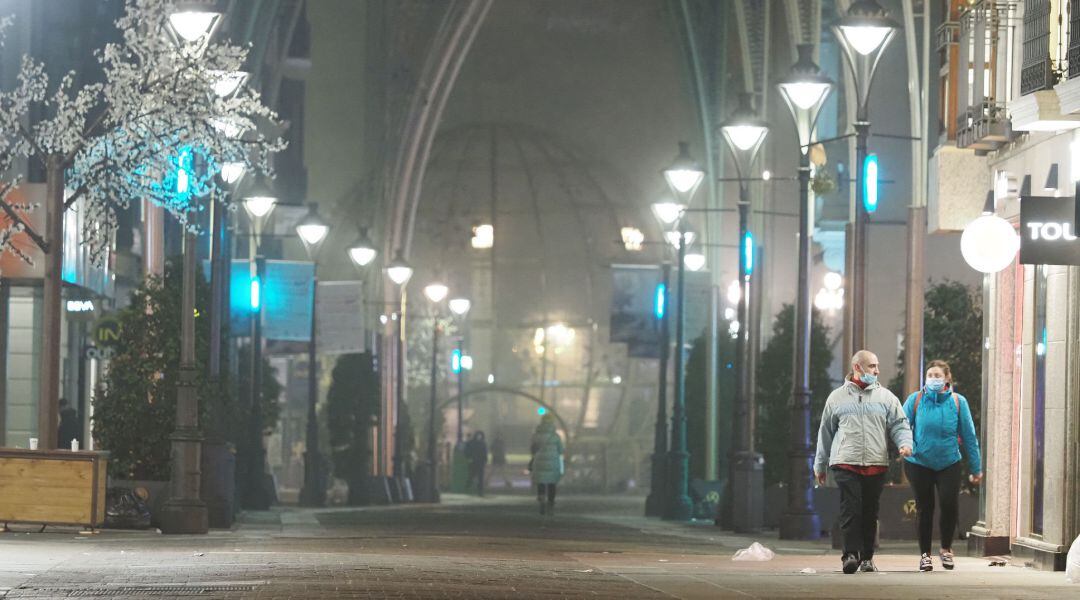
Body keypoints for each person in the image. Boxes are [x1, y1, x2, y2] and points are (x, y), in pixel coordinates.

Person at [815, 350, 913, 574]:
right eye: (872, 366)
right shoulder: (836, 398)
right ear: (857, 367)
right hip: (845, 461)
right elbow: (826, 433)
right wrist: (820, 465)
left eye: (877, 366)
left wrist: (905, 444)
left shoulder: (886, 398)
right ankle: (850, 555)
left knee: (870, 511)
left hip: (876, 462)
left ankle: (867, 557)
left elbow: (900, 424)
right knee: (851, 508)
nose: (877, 371)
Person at [902, 359, 982, 572]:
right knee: (924, 507)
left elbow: (969, 436)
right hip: (918, 462)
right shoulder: (915, 400)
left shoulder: (958, 402)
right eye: (930, 376)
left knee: (949, 505)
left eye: (938, 376)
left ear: (947, 378)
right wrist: (904, 444)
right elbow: (901, 425)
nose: (933, 379)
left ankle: (946, 549)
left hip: (949, 462)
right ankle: (925, 555)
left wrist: (976, 468)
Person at [529, 413, 564, 515]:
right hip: (553, 463)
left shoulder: (536, 435)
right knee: (552, 483)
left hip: (539, 461)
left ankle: (541, 498)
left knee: (541, 481)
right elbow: (561, 450)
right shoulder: (555, 436)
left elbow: (532, 448)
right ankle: (551, 503)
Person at [464, 431, 488, 496]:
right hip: (473, 462)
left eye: (480, 436)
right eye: (478, 435)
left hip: (480, 462)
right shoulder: (471, 443)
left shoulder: (482, 443)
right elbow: (466, 451)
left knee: (480, 478)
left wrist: (485, 460)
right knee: (472, 475)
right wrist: (469, 458)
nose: (479, 437)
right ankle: (468, 486)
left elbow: (485, 453)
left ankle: (480, 491)